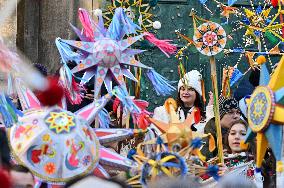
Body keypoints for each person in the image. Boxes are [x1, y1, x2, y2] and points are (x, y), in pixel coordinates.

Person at [149, 70, 213, 136]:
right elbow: (154, 133)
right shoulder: (164, 111)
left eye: (190, 89)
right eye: (182, 89)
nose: (185, 92)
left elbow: (207, 132)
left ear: (197, 93)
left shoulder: (203, 116)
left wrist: (210, 110)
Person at [201, 95, 241, 159]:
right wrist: (217, 160)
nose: (236, 116)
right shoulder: (208, 137)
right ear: (219, 116)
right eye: (230, 112)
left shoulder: (245, 132)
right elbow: (202, 164)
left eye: (238, 112)